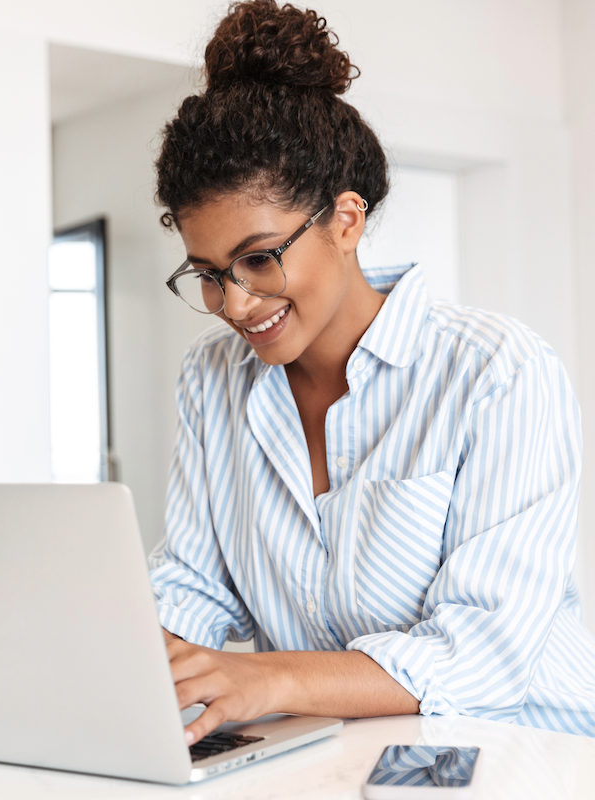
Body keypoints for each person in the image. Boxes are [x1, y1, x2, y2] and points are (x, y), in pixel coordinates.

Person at [148, 0, 595, 745]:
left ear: (346, 220)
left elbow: (482, 656)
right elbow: (193, 584)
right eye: (208, 274)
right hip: (341, 753)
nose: (235, 302)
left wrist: (272, 677)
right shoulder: (213, 381)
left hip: (531, 753)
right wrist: (132, 665)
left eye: (259, 259)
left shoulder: (494, 372)